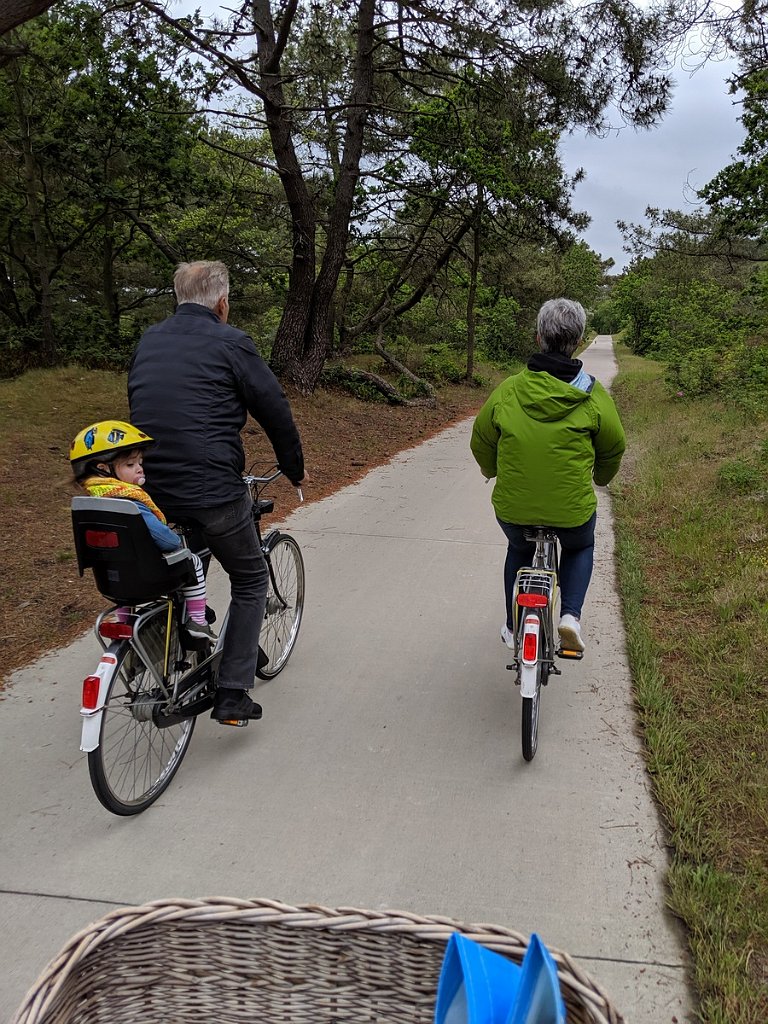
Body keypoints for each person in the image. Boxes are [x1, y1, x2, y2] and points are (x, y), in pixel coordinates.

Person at [128, 260, 305, 725]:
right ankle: (232, 693)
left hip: (150, 487)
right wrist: (293, 468)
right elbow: (274, 408)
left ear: (178, 297)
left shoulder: (149, 340)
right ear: (222, 302)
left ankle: (184, 639)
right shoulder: (231, 342)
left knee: (188, 565)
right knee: (250, 579)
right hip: (212, 488)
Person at [470, 297, 625, 654]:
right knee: (580, 545)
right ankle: (569, 616)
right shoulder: (592, 394)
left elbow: (481, 438)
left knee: (518, 547)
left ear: (539, 338)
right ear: (578, 340)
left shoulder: (509, 389)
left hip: (514, 509)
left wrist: (491, 469)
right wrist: (600, 476)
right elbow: (613, 446)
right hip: (570, 511)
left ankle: (513, 625)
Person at [70, 420, 215, 642]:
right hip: (149, 578)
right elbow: (167, 542)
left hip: (111, 581)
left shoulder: (93, 502)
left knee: (124, 568)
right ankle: (197, 620)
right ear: (103, 469)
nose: (139, 468)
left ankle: (124, 621)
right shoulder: (129, 504)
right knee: (192, 560)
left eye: (140, 462)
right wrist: (173, 536)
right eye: (130, 464)